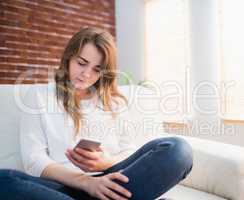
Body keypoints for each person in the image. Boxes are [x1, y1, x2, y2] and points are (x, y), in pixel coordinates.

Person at [0, 27, 193, 200]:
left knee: (178, 149)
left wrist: (104, 163)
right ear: (68, 58)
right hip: (62, 187)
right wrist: (86, 182)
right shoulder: (39, 96)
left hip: (111, 182)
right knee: (4, 180)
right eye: (81, 63)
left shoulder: (115, 102)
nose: (86, 74)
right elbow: (34, 160)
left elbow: (128, 153)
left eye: (96, 69)